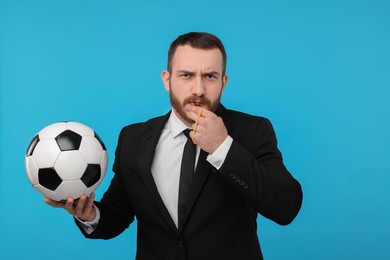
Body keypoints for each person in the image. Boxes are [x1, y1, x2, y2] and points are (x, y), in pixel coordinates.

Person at [45, 32, 303, 260]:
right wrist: (90, 215)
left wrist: (223, 147)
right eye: (187, 75)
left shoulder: (253, 131)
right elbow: (117, 214)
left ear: (223, 82)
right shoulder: (133, 138)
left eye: (210, 76)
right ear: (167, 79)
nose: (199, 89)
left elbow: (286, 207)